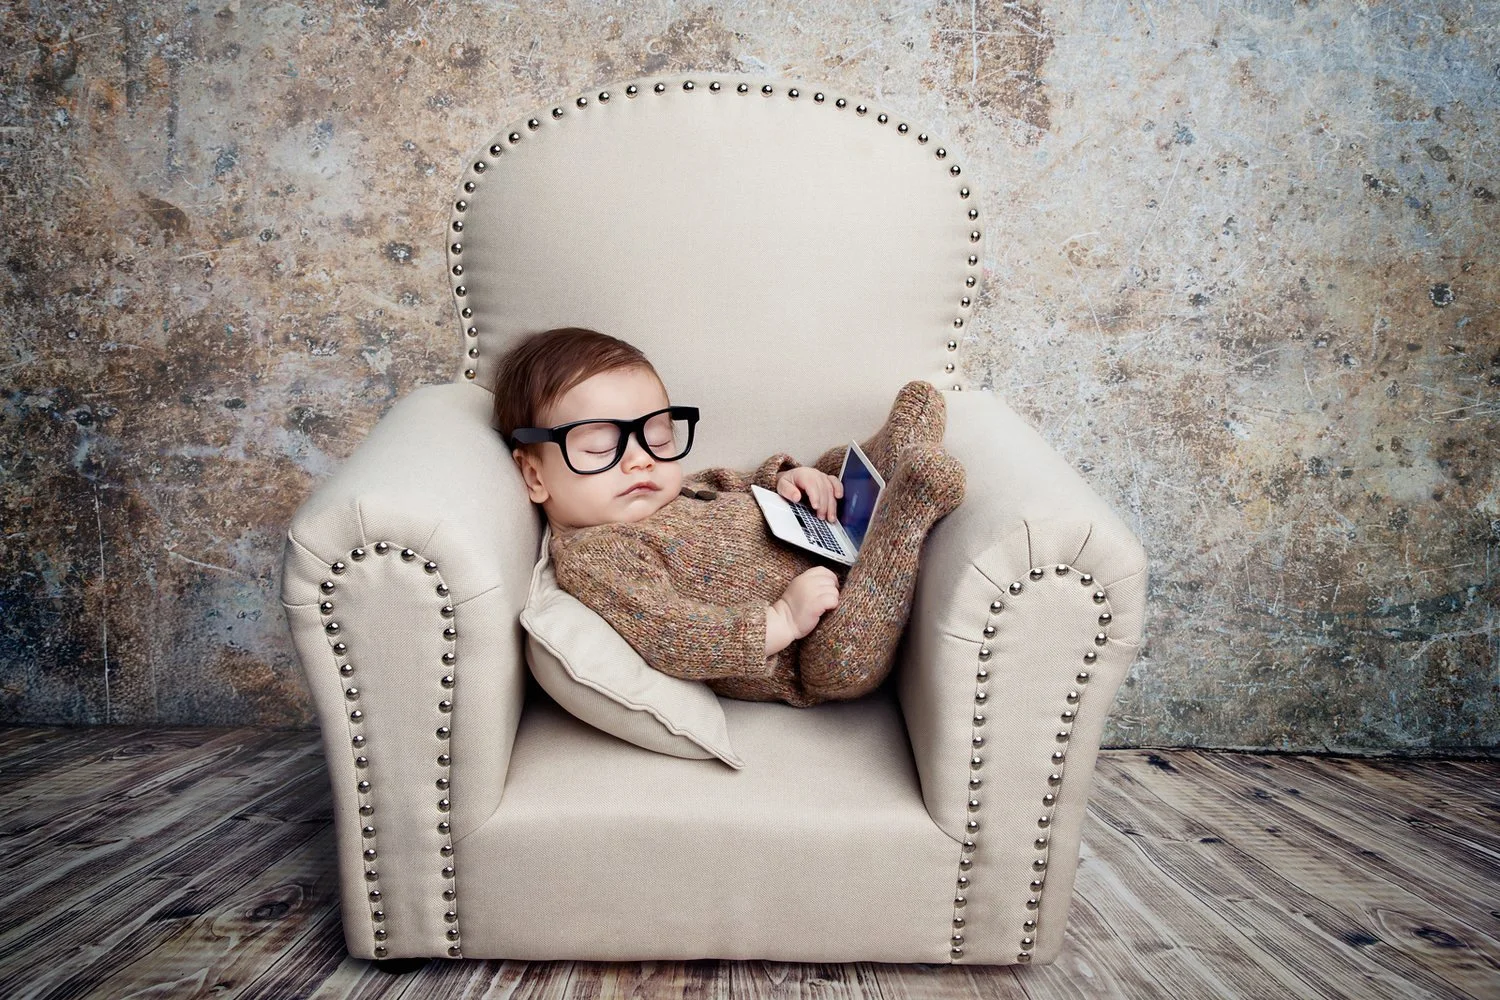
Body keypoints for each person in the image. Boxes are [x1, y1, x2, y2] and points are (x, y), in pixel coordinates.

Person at [496, 326, 965, 708]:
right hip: (817, 643)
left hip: (824, 532)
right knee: (846, 657)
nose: (640, 460)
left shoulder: (671, 491)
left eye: (657, 439)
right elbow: (671, 633)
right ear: (535, 475)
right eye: (600, 446)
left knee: (830, 470)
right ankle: (909, 506)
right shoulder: (599, 554)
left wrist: (787, 479)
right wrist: (780, 619)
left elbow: (728, 482)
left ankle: (889, 457)